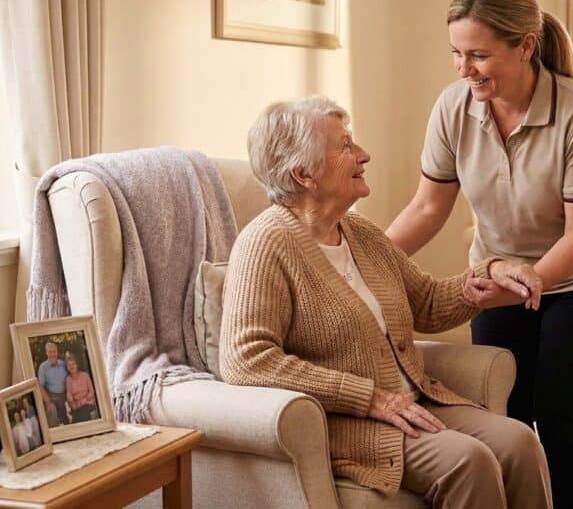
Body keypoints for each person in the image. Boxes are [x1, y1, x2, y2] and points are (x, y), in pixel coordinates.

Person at [220, 96, 553, 508]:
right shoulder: (265, 244)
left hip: (414, 402)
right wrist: (368, 397)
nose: (364, 154)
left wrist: (487, 274)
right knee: (468, 462)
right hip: (350, 424)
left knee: (521, 442)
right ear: (303, 173)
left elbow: (427, 302)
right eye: (345, 146)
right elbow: (245, 359)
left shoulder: (360, 233)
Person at [384, 0, 573, 509]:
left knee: (561, 411)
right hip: (499, 278)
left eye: (479, 54)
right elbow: (428, 208)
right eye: (455, 52)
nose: (463, 68)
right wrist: (364, 259)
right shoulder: (454, 108)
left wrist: (531, 281)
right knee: (503, 415)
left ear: (525, 47)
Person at [37, 342, 68, 425]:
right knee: (54, 421)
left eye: (54, 351)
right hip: (52, 397)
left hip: (65, 395)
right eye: (50, 351)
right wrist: (48, 403)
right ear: (46, 353)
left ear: (57, 352)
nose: (52, 354)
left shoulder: (63, 364)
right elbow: (41, 386)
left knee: (67, 422)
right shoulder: (43, 367)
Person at [65, 353, 97, 423]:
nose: (71, 366)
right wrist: (72, 403)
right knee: (77, 412)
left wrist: (83, 401)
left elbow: (91, 391)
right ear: (67, 367)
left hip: (88, 402)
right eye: (69, 365)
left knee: (82, 412)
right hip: (76, 405)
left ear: (77, 365)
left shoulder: (85, 375)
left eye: (73, 364)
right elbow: (69, 393)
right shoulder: (68, 379)